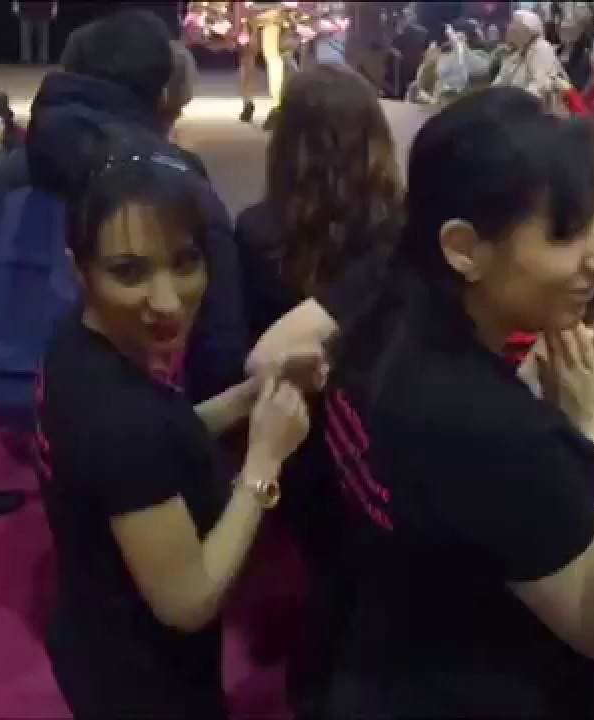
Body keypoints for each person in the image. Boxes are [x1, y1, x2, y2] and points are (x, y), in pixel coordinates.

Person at [248, 87, 594, 718]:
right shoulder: (505, 437)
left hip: (364, 650)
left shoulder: (380, 293)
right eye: (567, 234)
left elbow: (269, 355)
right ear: (464, 247)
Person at [37, 129, 312, 720]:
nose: (167, 301)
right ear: (79, 270)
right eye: (129, 272)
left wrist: (247, 397)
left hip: (92, 628)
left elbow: (158, 440)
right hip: (141, 680)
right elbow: (188, 600)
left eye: (185, 263)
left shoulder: (77, 339)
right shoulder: (120, 418)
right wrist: (264, 462)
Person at [234, 61, 403, 719]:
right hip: (386, 427)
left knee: (328, 570)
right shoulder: (404, 231)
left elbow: (245, 347)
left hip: (296, 434)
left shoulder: (256, 230)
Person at [0, 10, 246, 405]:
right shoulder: (177, 182)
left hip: (2, 408)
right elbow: (219, 341)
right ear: (162, 92)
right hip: (142, 414)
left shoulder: (9, 173)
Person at [493, 9, 567, 102]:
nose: (508, 27)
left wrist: (512, 103)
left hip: (534, 106)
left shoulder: (542, 48)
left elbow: (539, 87)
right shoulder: (515, 52)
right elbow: (500, 80)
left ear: (527, 30)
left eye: (513, 23)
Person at [13, 1, 57, 65]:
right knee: (25, 37)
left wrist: (54, 9)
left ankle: (43, 58)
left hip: (44, 12)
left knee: (43, 38)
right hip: (26, 12)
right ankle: (26, 59)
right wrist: (15, 8)